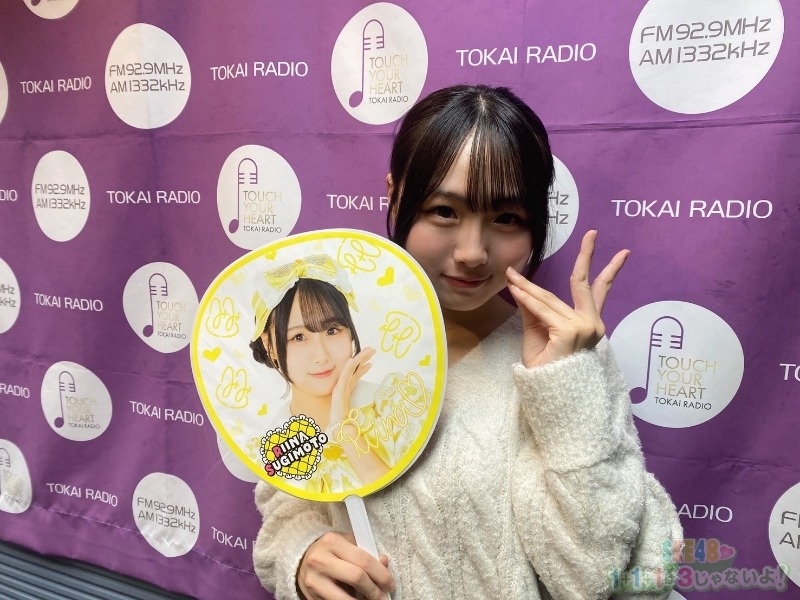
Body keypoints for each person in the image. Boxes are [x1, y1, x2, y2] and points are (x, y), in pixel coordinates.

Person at [253, 85, 683, 599]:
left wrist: (565, 387)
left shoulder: (567, 362)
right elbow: (288, 503)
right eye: (444, 211)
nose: (473, 252)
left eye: (506, 218)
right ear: (396, 195)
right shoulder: (337, 344)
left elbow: (592, 575)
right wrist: (303, 554)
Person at [249, 254, 418, 492]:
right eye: (299, 337)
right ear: (270, 346)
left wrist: (344, 428)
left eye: (332, 330)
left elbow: (413, 504)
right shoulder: (272, 450)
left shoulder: (399, 402)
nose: (321, 355)